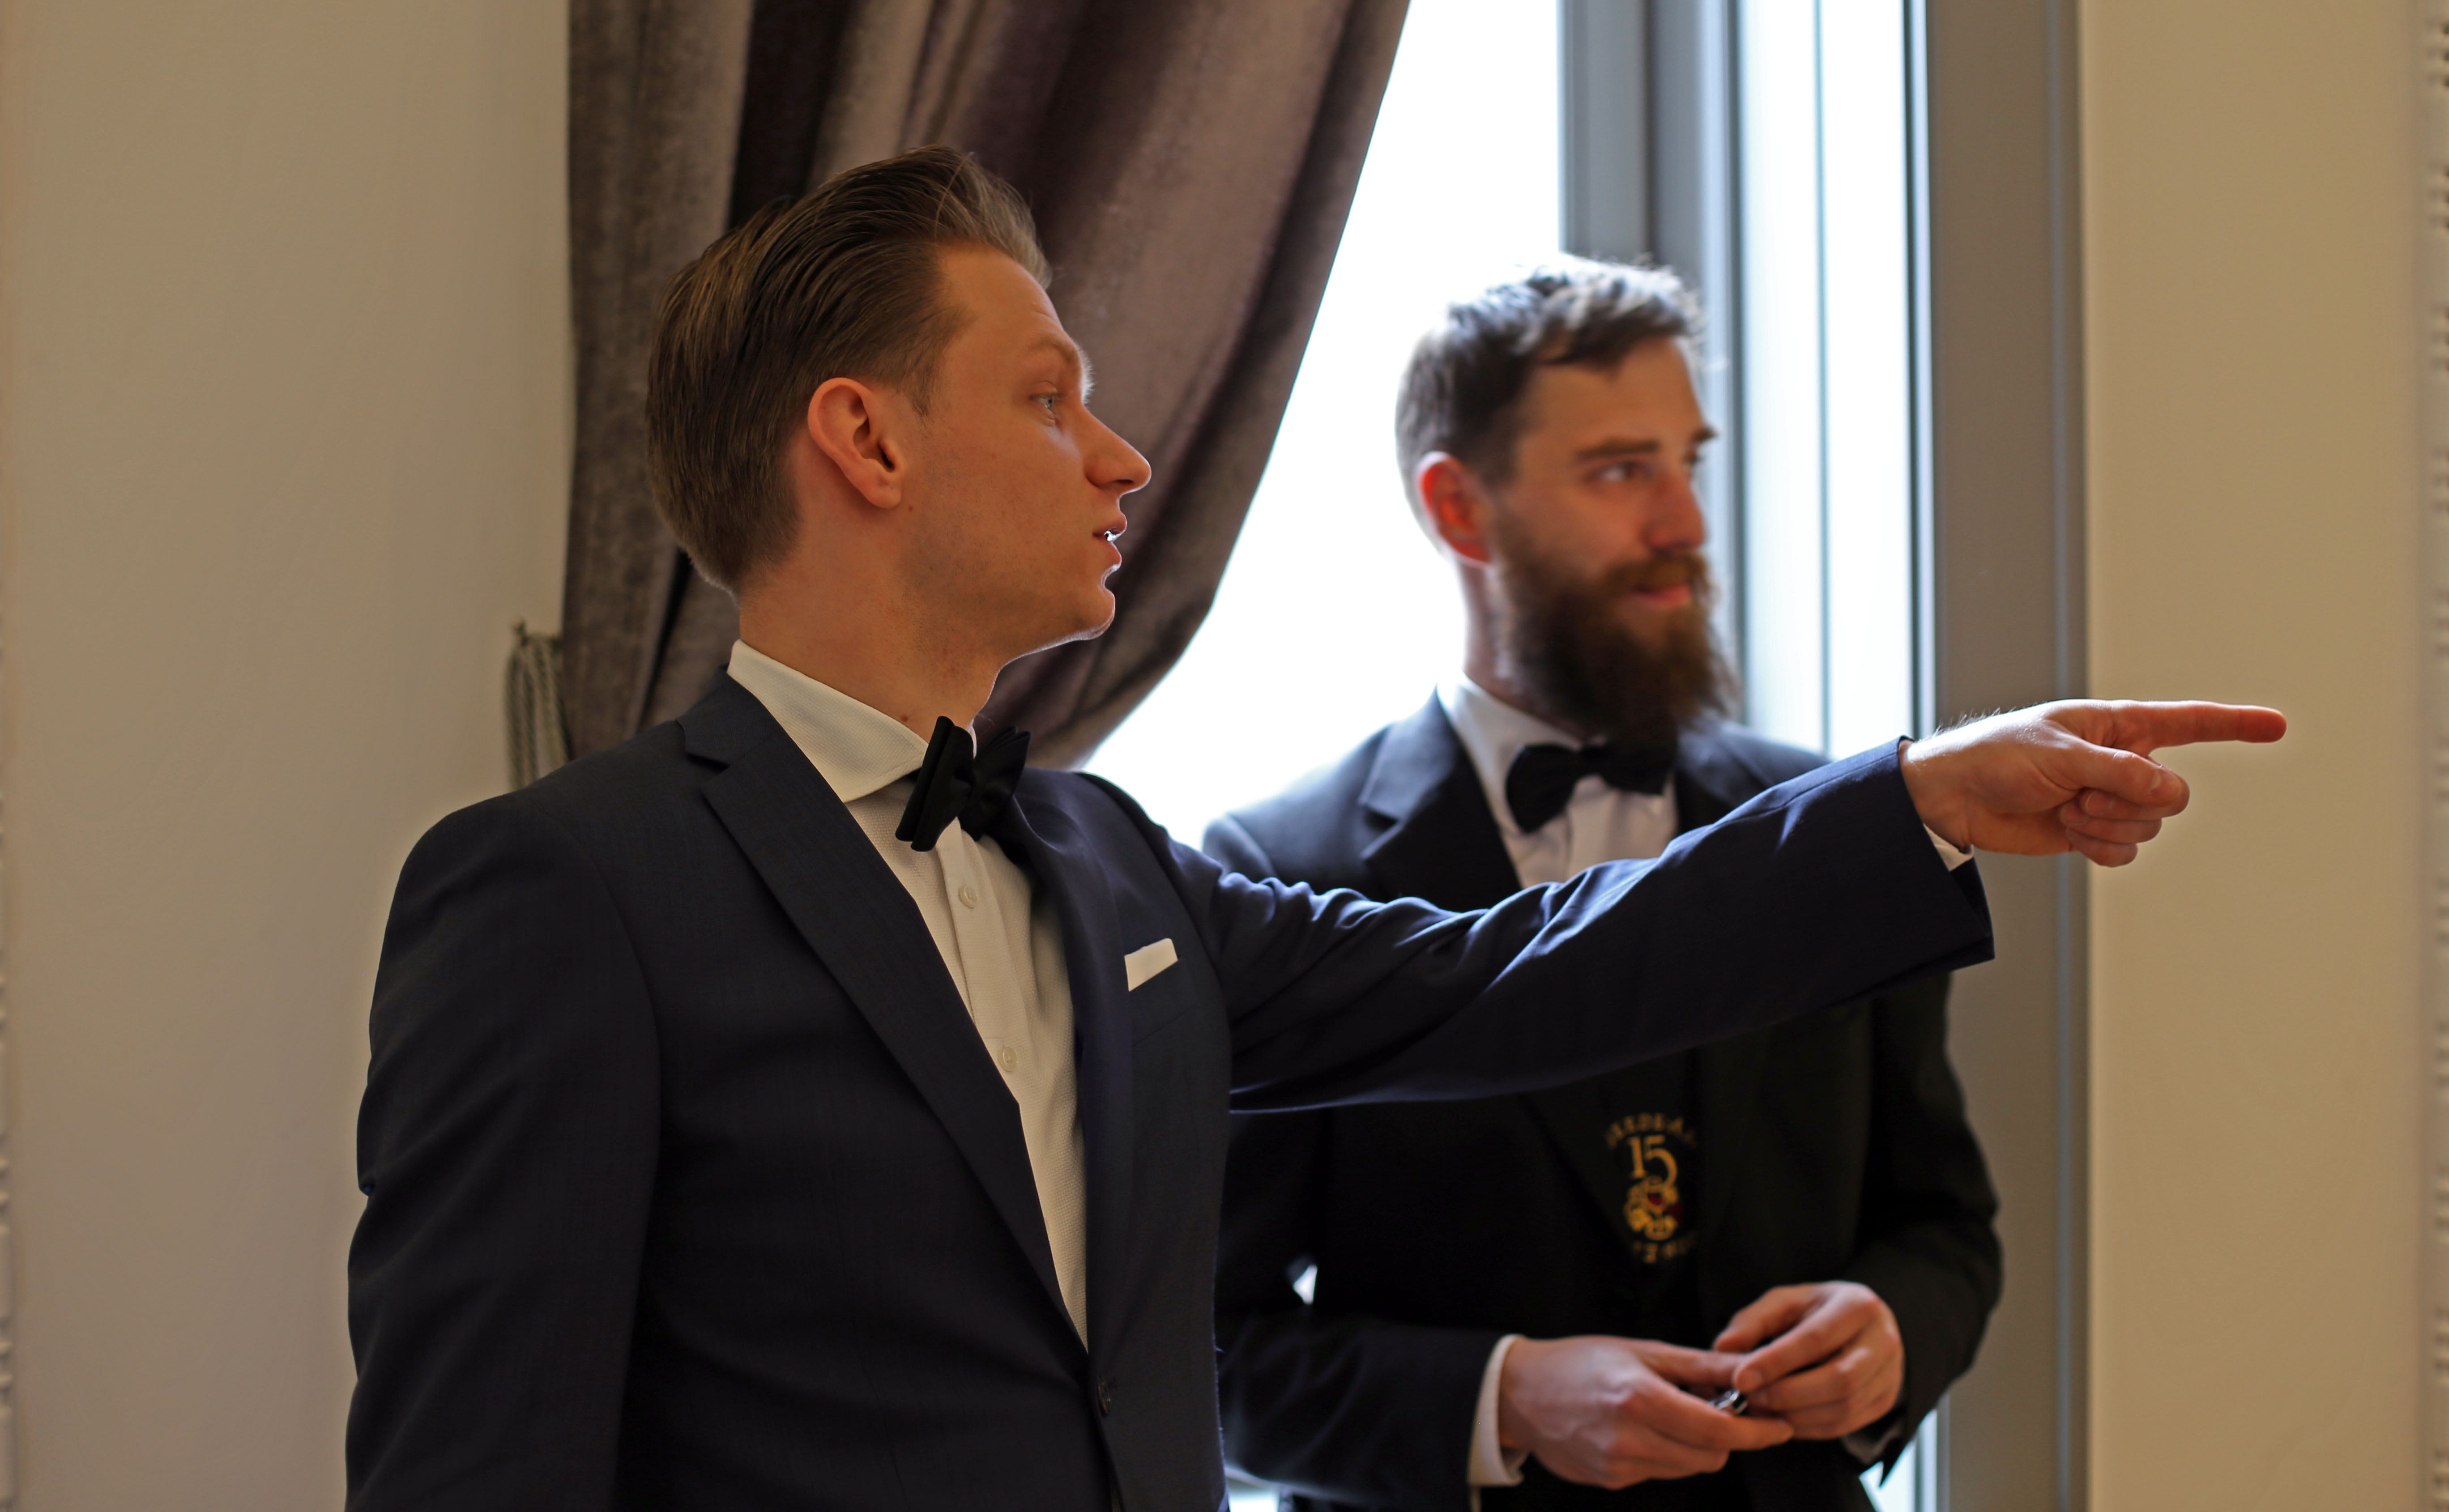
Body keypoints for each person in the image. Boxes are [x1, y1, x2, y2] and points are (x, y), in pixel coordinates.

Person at [343, 147, 2279, 1512]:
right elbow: (474, 1471)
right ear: (867, 441)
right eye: (1050, 397)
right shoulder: (565, 892)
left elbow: (1522, 977)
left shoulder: (1110, 866)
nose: (1123, 458)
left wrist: (1912, 801)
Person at [1207, 261, 1998, 1512]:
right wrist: (1502, 1398)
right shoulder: (1282, 870)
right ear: (1461, 509)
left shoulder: (1841, 829)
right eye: (1622, 470)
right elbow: (1206, 1345)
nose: (1685, 523)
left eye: (1689, 463)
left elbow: (1946, 1226)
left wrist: (1891, 1331)